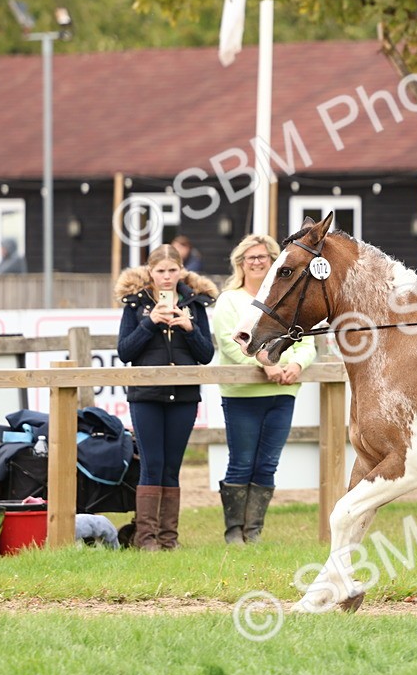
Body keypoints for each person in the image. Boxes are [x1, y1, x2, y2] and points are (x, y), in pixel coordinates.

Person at [212, 234, 317, 544]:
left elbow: (306, 341)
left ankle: (253, 532)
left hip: (283, 392)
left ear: (273, 262)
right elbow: (231, 342)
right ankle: (234, 532)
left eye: (262, 257)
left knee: (267, 463)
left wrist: (296, 365)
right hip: (242, 393)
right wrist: (266, 364)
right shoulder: (230, 300)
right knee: (242, 461)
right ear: (240, 263)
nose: (256, 262)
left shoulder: (287, 298)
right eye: (250, 257)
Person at [115, 244, 218, 551]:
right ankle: (146, 539)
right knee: (152, 463)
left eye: (172, 270)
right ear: (150, 272)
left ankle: (168, 539)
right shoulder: (135, 305)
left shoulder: (194, 303)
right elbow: (125, 351)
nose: (167, 277)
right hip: (145, 395)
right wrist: (150, 323)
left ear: (181, 270)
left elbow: (206, 354)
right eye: (160, 271)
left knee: (172, 466)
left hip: (184, 397)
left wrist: (189, 327)